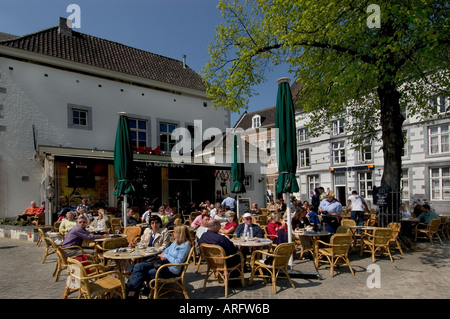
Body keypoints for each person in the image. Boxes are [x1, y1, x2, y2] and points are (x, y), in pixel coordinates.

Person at [126, 224, 192, 299]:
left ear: (180, 233)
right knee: (138, 266)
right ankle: (132, 292)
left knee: (141, 273)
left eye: (175, 232)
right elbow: (165, 251)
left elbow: (177, 262)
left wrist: (166, 256)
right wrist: (164, 255)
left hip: (170, 270)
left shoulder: (185, 245)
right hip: (162, 263)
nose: (173, 233)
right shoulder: (176, 241)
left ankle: (130, 293)